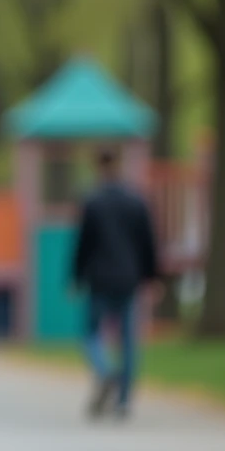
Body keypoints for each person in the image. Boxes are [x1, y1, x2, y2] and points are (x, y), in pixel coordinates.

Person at [71, 146, 159, 419]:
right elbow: (147, 242)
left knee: (91, 332)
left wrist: (76, 276)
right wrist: (152, 276)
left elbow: (83, 244)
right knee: (128, 339)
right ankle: (123, 400)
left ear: (98, 167)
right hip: (128, 277)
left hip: (99, 278)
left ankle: (105, 370)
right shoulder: (136, 201)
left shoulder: (92, 202)